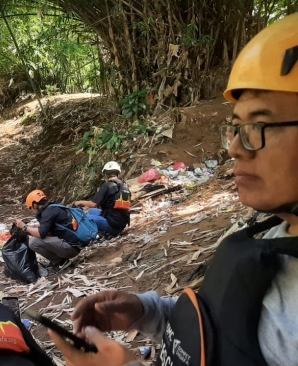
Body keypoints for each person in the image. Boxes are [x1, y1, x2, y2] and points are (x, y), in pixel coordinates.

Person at [53, 12, 298, 366]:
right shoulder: (272, 236)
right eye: (236, 127)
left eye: (258, 125)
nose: (234, 149)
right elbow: (219, 335)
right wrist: (146, 312)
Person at [16, 189, 82, 272]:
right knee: (36, 238)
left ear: (35, 204)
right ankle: (57, 261)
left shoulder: (48, 212)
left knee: (33, 242)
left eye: (31, 208)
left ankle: (61, 261)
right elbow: (48, 229)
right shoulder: (52, 207)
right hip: (74, 245)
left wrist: (24, 226)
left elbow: (41, 234)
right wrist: (30, 230)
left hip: (71, 248)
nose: (32, 210)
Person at [71, 161, 130, 236]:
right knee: (92, 211)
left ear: (106, 174)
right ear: (118, 173)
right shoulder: (124, 186)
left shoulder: (107, 186)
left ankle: (96, 233)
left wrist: (79, 202)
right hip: (121, 223)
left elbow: (93, 204)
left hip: (112, 226)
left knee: (84, 219)